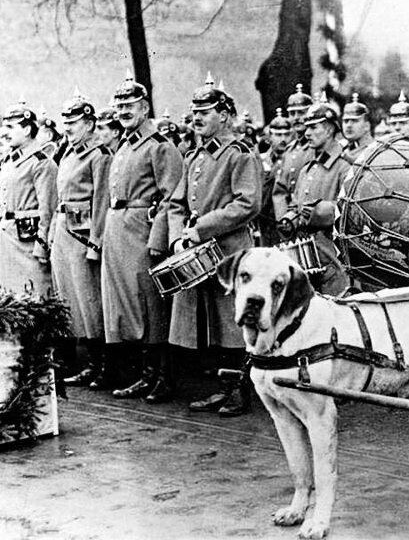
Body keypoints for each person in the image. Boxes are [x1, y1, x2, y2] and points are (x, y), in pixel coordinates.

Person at [167, 75, 262, 417]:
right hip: (199, 252)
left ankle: (239, 392)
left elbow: (248, 204)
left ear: (223, 114)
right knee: (209, 323)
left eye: (205, 111)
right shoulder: (194, 156)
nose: (197, 118)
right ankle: (223, 389)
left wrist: (201, 229)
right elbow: (176, 203)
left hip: (231, 251)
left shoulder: (239, 155)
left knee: (232, 322)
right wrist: (179, 236)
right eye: (194, 111)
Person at [103, 72, 184, 402]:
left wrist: (158, 239)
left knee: (150, 305)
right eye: (119, 104)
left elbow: (171, 196)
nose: (123, 110)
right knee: (127, 305)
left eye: (131, 104)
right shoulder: (123, 144)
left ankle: (162, 377)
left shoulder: (159, 147)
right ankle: (144, 374)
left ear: (145, 106)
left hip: (142, 230)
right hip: (118, 227)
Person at [50, 89, 112, 388]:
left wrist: (96, 242)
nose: (68, 127)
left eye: (73, 122)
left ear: (89, 124)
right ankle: (87, 361)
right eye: (66, 123)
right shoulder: (67, 154)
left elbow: (101, 201)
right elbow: (58, 199)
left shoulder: (98, 156)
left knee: (89, 300)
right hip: (64, 229)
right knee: (70, 297)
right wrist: (51, 235)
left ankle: (102, 364)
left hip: (83, 234)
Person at [277, 94, 351, 296]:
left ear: (328, 129)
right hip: (307, 260)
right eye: (306, 127)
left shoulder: (345, 167)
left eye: (313, 127)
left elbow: (354, 213)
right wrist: (289, 218)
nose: (306, 132)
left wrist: (324, 212)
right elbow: (295, 203)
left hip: (334, 261)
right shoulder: (307, 169)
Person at [0, 100, 57, 295]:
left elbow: (47, 209)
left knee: (36, 296)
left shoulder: (41, 163)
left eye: (9, 127)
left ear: (26, 130)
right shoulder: (9, 161)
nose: (4, 132)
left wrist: (42, 246)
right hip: (8, 241)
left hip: (29, 244)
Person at [272, 83, 314, 220]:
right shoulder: (289, 150)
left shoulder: (316, 148)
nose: (296, 118)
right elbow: (279, 192)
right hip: (289, 222)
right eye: (292, 113)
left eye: (301, 112)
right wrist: (284, 221)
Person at [255, 109, 293, 247]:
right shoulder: (261, 160)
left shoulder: (292, 161)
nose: (283, 139)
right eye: (278, 135)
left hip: (286, 223)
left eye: (286, 134)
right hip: (264, 224)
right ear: (269, 136)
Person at [342, 93, 374, 162]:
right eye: (346, 121)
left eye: (355, 121)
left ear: (366, 126)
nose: (349, 125)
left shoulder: (373, 149)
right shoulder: (342, 147)